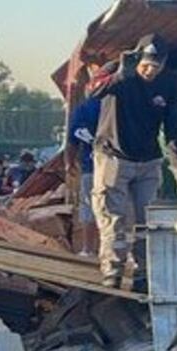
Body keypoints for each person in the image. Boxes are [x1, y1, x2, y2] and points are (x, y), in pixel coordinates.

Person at [88, 34, 177, 288]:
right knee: (113, 218)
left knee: (146, 219)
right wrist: (118, 76)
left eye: (155, 68)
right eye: (145, 66)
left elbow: (173, 123)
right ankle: (113, 270)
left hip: (148, 160)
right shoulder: (118, 70)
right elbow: (91, 92)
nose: (149, 71)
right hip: (114, 156)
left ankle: (142, 272)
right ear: (138, 59)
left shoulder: (170, 82)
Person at [69, 96, 101, 256]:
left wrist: (69, 161)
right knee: (117, 208)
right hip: (122, 165)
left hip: (92, 164)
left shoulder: (85, 107)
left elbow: (73, 136)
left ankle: (88, 249)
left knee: (89, 206)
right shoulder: (126, 100)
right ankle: (116, 250)